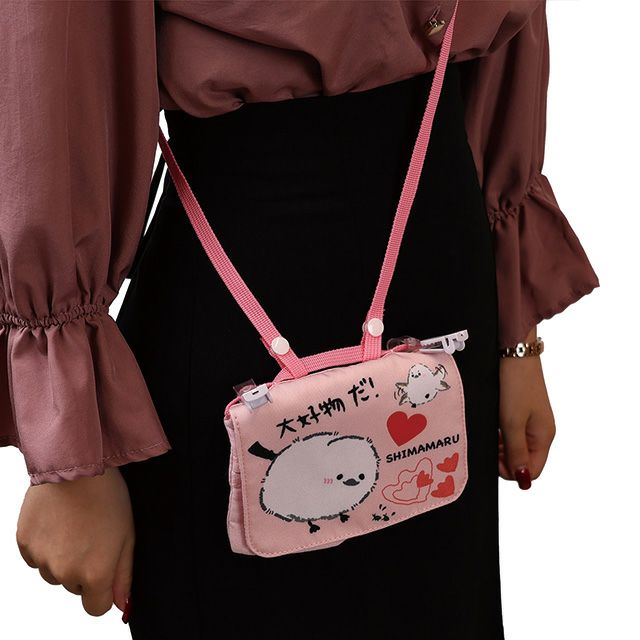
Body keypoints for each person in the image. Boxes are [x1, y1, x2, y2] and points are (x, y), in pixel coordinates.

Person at [0, 2, 600, 638]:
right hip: (242, 264)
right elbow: (56, 47)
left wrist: (516, 338)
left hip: (445, 242)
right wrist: (73, 458)